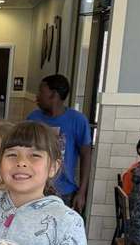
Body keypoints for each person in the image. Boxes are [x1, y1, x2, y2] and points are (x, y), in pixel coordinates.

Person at [27, 74, 92, 213]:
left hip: (65, 192)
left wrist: (82, 192)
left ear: (53, 95)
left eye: (41, 92)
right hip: (34, 187)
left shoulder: (77, 120)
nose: (36, 96)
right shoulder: (33, 118)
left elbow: (86, 155)